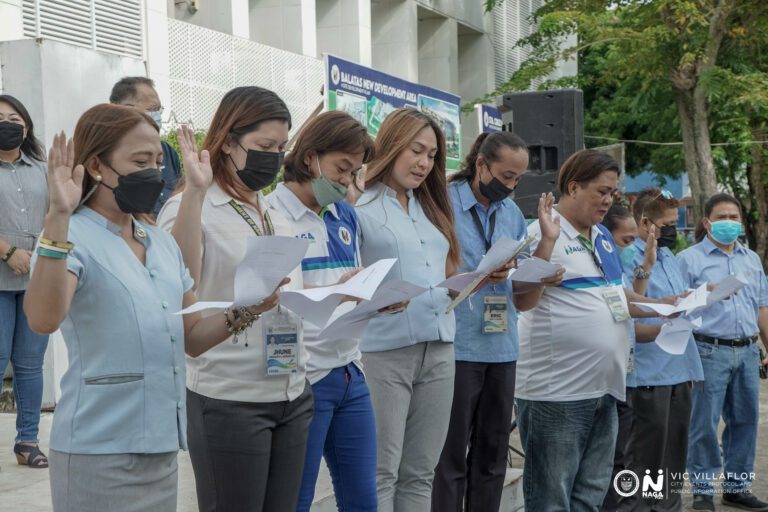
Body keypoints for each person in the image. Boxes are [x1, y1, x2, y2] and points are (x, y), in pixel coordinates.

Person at [22, 104, 281, 512]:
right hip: (98, 447)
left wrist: (250, 308)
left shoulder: (159, 242)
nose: (154, 172)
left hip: (160, 447)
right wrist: (57, 216)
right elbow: (42, 318)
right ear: (96, 166)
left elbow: (192, 337)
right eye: (140, 161)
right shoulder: (70, 236)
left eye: (159, 161)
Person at [157, 86, 312, 512]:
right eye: (264, 146)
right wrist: (195, 192)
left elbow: (283, 292)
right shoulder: (193, 206)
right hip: (229, 397)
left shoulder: (273, 213)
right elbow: (181, 283)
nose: (275, 157)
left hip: (290, 390)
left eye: (281, 147)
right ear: (227, 141)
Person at [515, 149, 671, 511]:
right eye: (601, 191)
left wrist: (666, 307)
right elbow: (520, 298)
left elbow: (614, 296)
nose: (608, 200)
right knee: (551, 498)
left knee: (591, 494)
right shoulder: (541, 231)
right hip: (557, 394)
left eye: (613, 193)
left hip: (604, 388)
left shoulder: (601, 236)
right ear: (573, 187)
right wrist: (546, 248)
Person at [432, 131, 562, 512]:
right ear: (481, 165)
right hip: (458, 344)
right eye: (506, 176)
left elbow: (521, 297)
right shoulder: (443, 202)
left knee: (492, 454)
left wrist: (544, 257)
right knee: (451, 456)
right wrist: (480, 275)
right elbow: (439, 273)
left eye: (518, 179)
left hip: (502, 345)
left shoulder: (509, 215)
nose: (512, 185)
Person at [265, 111, 378, 511]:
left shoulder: (344, 214)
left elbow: (350, 284)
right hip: (304, 376)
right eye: (342, 168)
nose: (348, 181)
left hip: (350, 370)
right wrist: (341, 290)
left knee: (363, 499)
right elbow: (275, 299)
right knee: (296, 497)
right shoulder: (270, 215)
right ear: (311, 157)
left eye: (354, 171)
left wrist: (375, 299)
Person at [355, 108, 460, 512]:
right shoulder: (359, 206)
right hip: (383, 352)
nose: (423, 163)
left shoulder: (430, 207)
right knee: (382, 471)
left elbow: (446, 272)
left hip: (439, 349)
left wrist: (479, 278)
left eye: (432, 155)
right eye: (416, 150)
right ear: (393, 144)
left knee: (420, 472)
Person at [679, 194, 768, 512]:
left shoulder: (751, 260)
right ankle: (703, 489)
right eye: (722, 217)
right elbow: (678, 308)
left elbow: (761, 306)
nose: (730, 222)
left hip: (746, 352)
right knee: (703, 422)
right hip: (707, 349)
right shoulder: (689, 260)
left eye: (734, 217)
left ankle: (736, 487)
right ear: (707, 222)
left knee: (745, 420)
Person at [617, 188, 704, 512]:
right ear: (645, 222)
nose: (672, 229)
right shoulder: (628, 257)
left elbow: (675, 305)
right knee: (645, 462)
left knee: (673, 459)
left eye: (673, 223)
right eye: (667, 224)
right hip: (648, 374)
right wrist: (666, 323)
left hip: (679, 371)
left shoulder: (669, 256)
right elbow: (628, 319)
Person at [0, 94, 50, 469]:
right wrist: (7, 253)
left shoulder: (42, 168)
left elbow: (59, 214)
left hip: (36, 280)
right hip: (1, 279)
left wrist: (45, 256)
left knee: (31, 363)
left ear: (26, 125)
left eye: (14, 117)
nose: (7, 122)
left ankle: (28, 441)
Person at [601, 202, 640, 511]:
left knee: (622, 454)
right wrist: (660, 306)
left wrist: (661, 304)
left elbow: (629, 304)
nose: (632, 247)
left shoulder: (620, 270)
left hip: (625, 373)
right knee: (609, 456)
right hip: (603, 376)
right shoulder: (600, 266)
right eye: (626, 240)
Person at [110, 76, 181, 214]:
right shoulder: (109, 151)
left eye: (159, 110)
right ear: (126, 109)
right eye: (153, 109)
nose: (158, 116)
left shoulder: (167, 151)